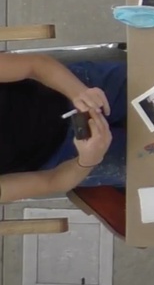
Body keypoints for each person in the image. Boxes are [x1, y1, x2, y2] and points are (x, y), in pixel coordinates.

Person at [0, 54, 126, 202]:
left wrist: (79, 93)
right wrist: (87, 161)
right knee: (152, 164)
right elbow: (52, 182)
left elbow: (34, 65)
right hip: (65, 157)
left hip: (65, 89)